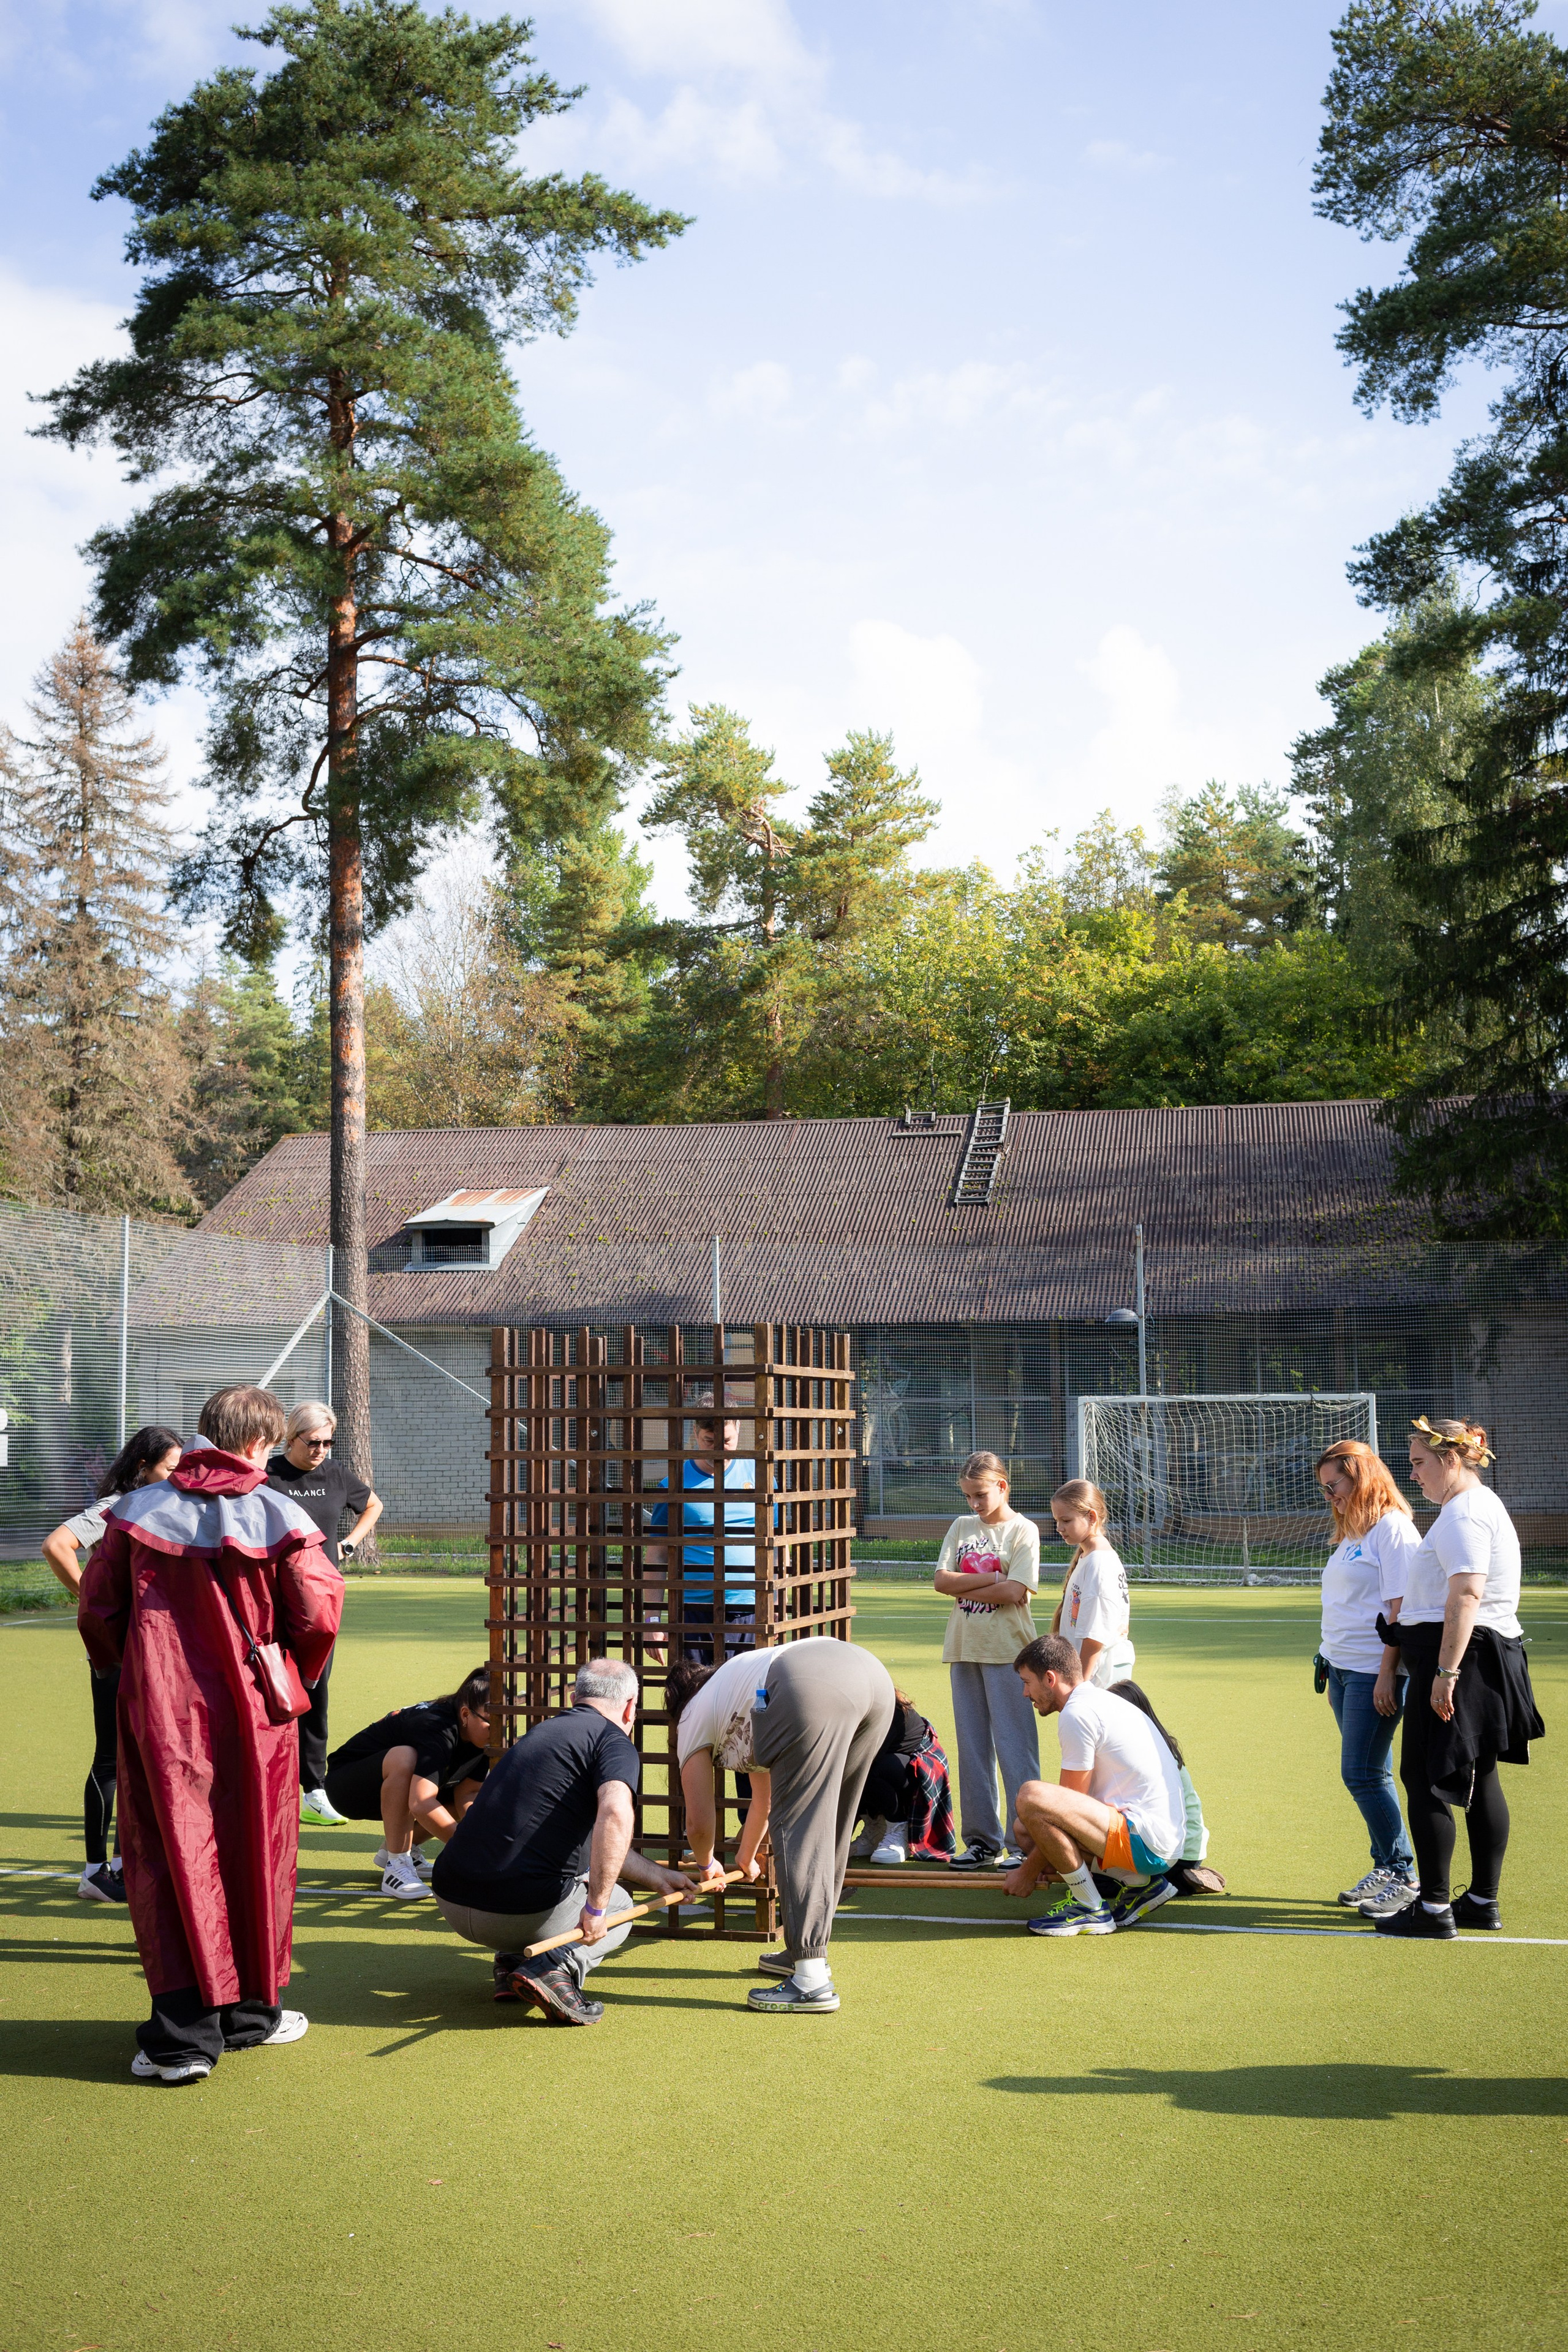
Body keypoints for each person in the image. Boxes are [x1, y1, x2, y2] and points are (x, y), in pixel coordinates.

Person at [77, 1385, 342, 2084]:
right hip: (255, 1716)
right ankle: (252, 2015)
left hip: (161, 1713)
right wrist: (291, 1672)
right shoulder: (281, 1512)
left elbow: (98, 1610)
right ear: (261, 1442)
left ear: (206, 1434)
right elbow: (317, 1615)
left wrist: (126, 1668)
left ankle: (181, 2039)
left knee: (168, 1857)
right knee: (259, 1849)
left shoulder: (133, 1514)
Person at [431, 1659, 700, 2026]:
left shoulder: (540, 1735)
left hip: (450, 1899)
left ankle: (512, 1964)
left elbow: (598, 1842)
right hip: (513, 1913)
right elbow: (616, 1816)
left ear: (575, 1697)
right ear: (630, 1707)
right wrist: (597, 1908)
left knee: (567, 1871)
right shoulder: (612, 1742)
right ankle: (556, 1967)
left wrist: (657, 1877)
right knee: (617, 1903)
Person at [1372, 1417, 1544, 1940]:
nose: (1413, 1473)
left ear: (1451, 1458)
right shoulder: (1470, 1507)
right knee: (1478, 1774)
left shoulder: (1465, 1514)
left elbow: (1467, 1595)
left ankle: (1434, 1910)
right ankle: (1480, 1902)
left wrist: (1446, 1672)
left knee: (1426, 1777)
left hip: (1463, 1662)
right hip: (1479, 1657)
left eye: (1420, 1462)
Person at [42, 1424, 184, 1905]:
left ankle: (123, 1865)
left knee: (140, 1757)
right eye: (169, 1468)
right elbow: (56, 1545)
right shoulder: (119, 1507)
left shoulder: (159, 1506)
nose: (176, 1477)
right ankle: (95, 1871)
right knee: (112, 1756)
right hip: (115, 1651)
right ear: (144, 1468)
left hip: (148, 1651)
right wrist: (94, 1601)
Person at [725, 1636, 893, 2013]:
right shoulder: (733, 1685)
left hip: (814, 1688)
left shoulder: (698, 1716)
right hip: (874, 1678)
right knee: (831, 1823)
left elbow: (716, 1815)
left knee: (797, 1829)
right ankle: (803, 1952)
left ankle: (811, 1980)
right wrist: (748, 1854)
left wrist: (708, 1861)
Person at [1005, 1634, 1186, 1936]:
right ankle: (1142, 1885)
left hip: (1150, 1842)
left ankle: (1091, 1908)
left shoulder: (1078, 1713)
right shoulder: (1099, 1701)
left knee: (1031, 1796)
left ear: (1050, 1678)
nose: (1025, 1693)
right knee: (1024, 1829)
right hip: (1159, 1839)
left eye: (1027, 1682)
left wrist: (1027, 1871)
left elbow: (1064, 1806)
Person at [1313, 1438, 1422, 1915]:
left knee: (1360, 1772)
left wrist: (1385, 1675)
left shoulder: (1393, 1531)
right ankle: (1387, 1866)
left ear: (1360, 1477)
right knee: (1370, 1772)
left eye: (1334, 1485)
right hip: (1340, 1669)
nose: (1330, 1496)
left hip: (1372, 1674)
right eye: (1325, 1488)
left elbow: (1401, 1613)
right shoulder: (1354, 1532)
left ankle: (1402, 1872)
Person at [266, 1400, 382, 1826]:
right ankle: (268, 1785)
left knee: (315, 1693)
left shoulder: (335, 1474)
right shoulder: (268, 1475)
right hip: (274, 1600)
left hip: (320, 1603)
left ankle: (314, 1790)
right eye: (313, 1441)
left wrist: (349, 1545)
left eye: (328, 1442)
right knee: (270, 1693)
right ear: (291, 1437)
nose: (320, 1450)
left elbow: (374, 1506)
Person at [934, 1451, 1041, 1869]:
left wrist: (975, 1586)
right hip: (964, 1649)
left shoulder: (1023, 1530)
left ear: (1002, 1487)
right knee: (973, 1751)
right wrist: (993, 1579)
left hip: (1010, 1654)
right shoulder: (961, 1527)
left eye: (981, 1495)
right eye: (968, 1497)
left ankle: (1025, 1844)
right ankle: (981, 1842)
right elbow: (942, 1581)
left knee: (1017, 1751)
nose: (975, 1505)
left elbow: (1017, 1593)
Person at [322, 1669, 492, 1899]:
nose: (501, 1730)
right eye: (492, 1722)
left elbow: (468, 1794)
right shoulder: (438, 1727)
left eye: (508, 1721)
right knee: (405, 1757)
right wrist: (467, 1850)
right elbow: (421, 1803)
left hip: (390, 1786)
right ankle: (397, 1864)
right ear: (465, 1714)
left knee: (462, 1791)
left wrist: (481, 1837)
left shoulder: (478, 1734)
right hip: (348, 1787)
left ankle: (403, 1850)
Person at [644, 1411, 756, 1663]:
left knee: (750, 1698)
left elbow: (778, 1547)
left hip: (749, 1609)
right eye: (709, 1441)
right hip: (693, 1611)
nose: (719, 1450)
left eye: (726, 1441)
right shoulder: (674, 1483)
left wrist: (777, 1605)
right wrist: (652, 1620)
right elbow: (657, 1554)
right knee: (694, 1696)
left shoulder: (760, 1476)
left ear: (738, 1428)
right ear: (695, 1433)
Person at [1107, 1679, 1225, 1898]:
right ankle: (1184, 1877)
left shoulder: (1141, 1753)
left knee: (1106, 1883)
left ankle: (1176, 1882)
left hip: (1174, 1852)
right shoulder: (1162, 1743)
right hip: (1191, 1848)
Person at [849, 1687, 955, 1866]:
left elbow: (862, 1763)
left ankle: (899, 1828)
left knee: (868, 1770)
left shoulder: (889, 1710)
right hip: (890, 1765)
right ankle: (874, 1829)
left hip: (918, 1771)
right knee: (852, 1768)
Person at [1049, 1479, 1135, 1687]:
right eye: (1056, 1521)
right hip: (1092, 1678)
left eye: (1066, 1520)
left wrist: (1079, 1686)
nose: (1059, 1528)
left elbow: (1095, 1636)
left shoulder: (1099, 1563)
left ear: (1091, 1517)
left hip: (1099, 1681)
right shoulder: (1089, 1557)